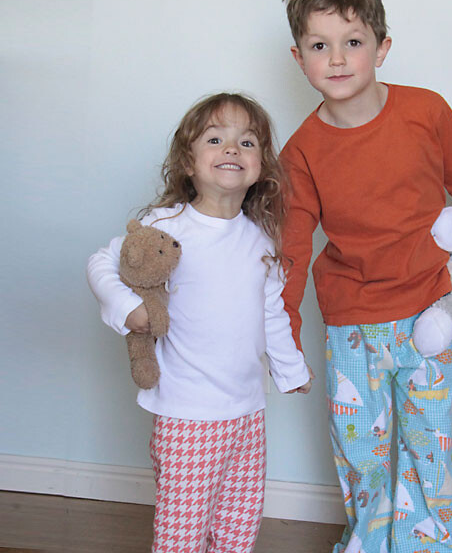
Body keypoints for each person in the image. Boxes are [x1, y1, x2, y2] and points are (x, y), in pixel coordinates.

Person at [281, 0, 452, 553]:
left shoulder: (426, 113)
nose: (337, 59)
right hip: (351, 324)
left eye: (353, 42)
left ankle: (434, 547)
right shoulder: (300, 151)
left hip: (431, 314)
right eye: (320, 46)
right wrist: (284, 334)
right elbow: (290, 247)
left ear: (383, 48)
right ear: (298, 57)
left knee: (428, 448)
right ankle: (367, 542)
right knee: (362, 457)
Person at [87, 93, 312, 553]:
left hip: (248, 410)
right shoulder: (167, 225)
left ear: (261, 167)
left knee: (238, 524)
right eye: (215, 139)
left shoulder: (261, 239)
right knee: (182, 532)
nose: (232, 149)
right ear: (188, 162)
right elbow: (102, 262)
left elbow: (272, 313)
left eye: (247, 142)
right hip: (187, 412)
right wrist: (126, 308)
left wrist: (291, 371)